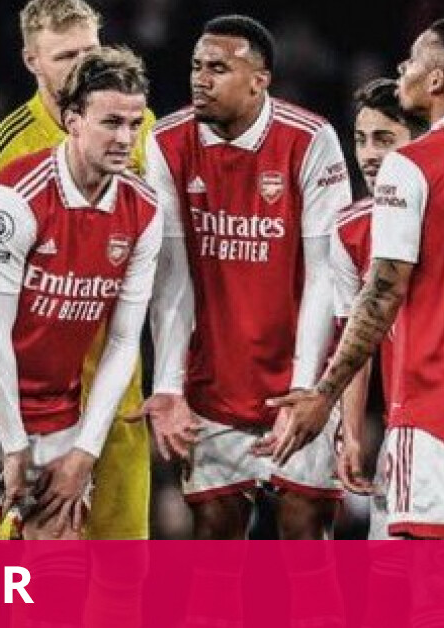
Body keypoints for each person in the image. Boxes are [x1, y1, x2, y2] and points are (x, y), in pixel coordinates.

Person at [269, 17, 444, 541]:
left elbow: (382, 292)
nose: (403, 67)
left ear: (437, 80)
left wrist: (324, 394)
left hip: (436, 405)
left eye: (414, 59)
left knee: (419, 576)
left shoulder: (412, 164)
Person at [0, 46, 158, 541]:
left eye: (134, 124)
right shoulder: (11, 201)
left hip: (52, 397)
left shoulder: (145, 212)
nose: (125, 139)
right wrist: (14, 446)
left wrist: (84, 453)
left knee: (61, 550)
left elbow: (122, 341)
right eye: (111, 122)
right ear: (73, 121)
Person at [145, 14, 351, 541]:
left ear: (260, 80)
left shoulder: (310, 139)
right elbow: (172, 276)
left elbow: (325, 274)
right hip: (214, 386)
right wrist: (168, 387)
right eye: (196, 66)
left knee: (305, 536)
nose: (200, 80)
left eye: (218, 68)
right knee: (214, 540)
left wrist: (304, 390)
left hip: (298, 377)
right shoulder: (166, 141)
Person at [329, 77, 426, 539]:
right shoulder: (350, 230)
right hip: (400, 426)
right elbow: (356, 339)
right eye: (361, 139)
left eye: (385, 139)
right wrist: (351, 433)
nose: (368, 155)